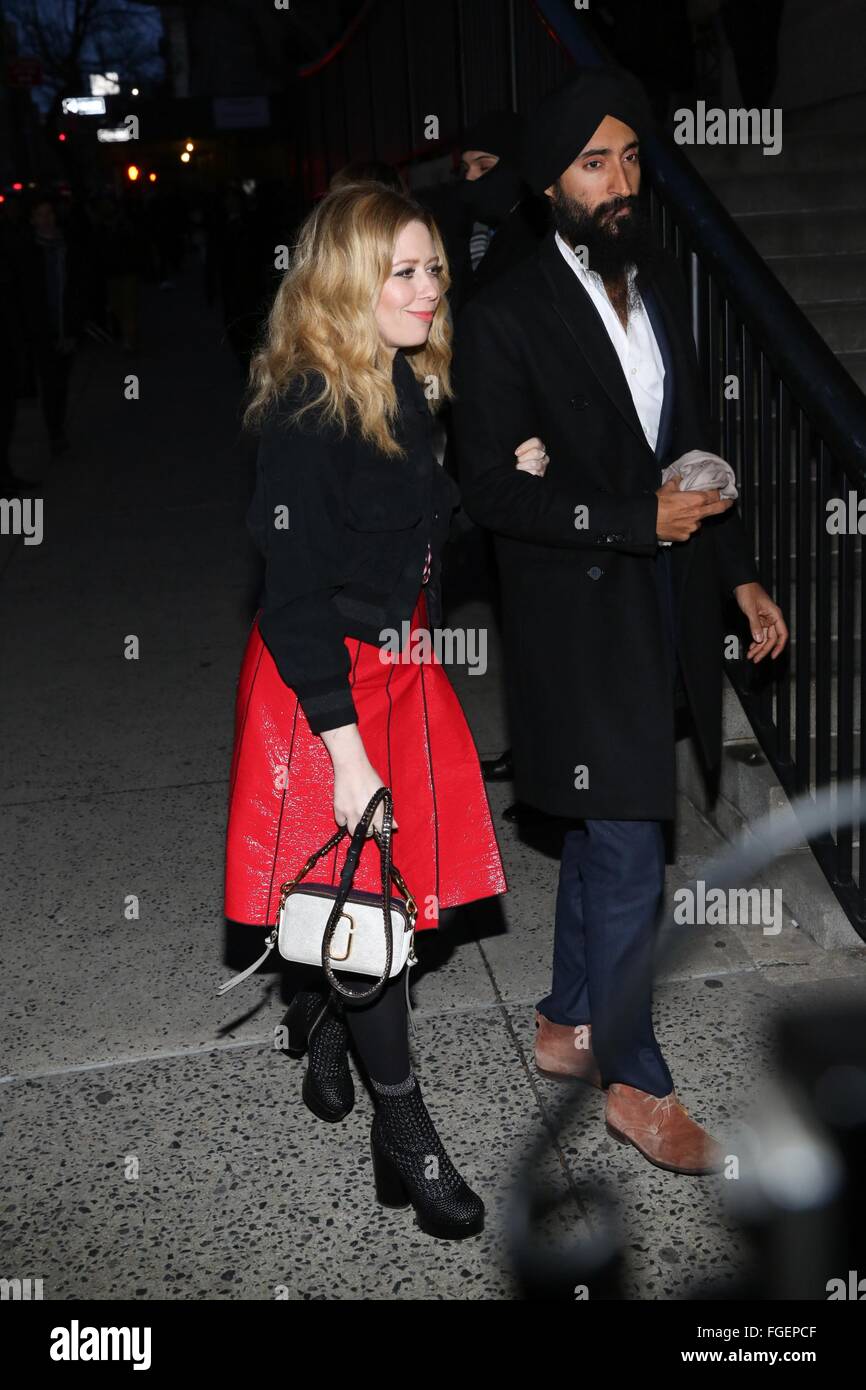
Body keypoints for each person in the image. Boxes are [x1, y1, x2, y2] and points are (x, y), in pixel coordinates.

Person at [452, 68, 788, 1176]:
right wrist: (629, 515)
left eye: (630, 157)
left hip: (667, 594)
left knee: (610, 833)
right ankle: (634, 1082)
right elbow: (493, 495)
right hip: (575, 612)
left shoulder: (648, 279)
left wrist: (734, 573)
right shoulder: (502, 311)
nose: (619, 180)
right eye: (593, 162)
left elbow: (688, 443)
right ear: (548, 183)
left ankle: (563, 1020)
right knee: (634, 838)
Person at [222, 184, 544, 1238]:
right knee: (366, 913)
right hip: (326, 688)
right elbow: (295, 595)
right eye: (400, 272)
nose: (426, 288)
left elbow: (405, 523)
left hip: (399, 664)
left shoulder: (401, 382)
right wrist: (343, 749)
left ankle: (316, 1016)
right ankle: (403, 1131)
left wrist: (492, 477)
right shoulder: (308, 411)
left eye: (432, 269)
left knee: (376, 897)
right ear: (344, 285)